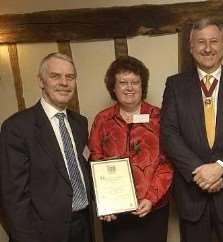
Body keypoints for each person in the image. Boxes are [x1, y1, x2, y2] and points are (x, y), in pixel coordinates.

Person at [160, 18, 223, 242]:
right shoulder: (175, 85)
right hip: (192, 197)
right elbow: (169, 133)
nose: (207, 48)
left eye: (214, 41)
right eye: (201, 42)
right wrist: (201, 172)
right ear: (191, 47)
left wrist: (220, 168)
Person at [0, 52, 92, 242]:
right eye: (55, 76)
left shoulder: (80, 123)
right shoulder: (17, 127)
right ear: (41, 81)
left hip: (82, 226)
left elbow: (82, 168)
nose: (64, 83)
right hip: (42, 234)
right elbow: (13, 196)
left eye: (70, 77)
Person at [89, 56, 173, 242]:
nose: (129, 87)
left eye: (135, 82)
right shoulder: (102, 120)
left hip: (153, 208)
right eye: (123, 82)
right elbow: (95, 159)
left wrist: (151, 198)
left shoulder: (159, 117)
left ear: (142, 86)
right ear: (113, 87)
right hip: (115, 212)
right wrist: (103, 203)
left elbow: (167, 163)